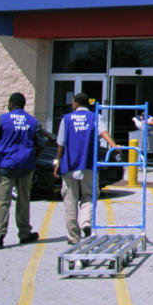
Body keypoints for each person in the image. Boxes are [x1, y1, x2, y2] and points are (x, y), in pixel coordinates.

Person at [54, 92, 118, 245]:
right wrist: (114, 145)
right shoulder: (95, 117)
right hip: (89, 163)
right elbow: (103, 133)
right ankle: (86, 222)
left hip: (69, 164)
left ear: (76, 103)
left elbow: (61, 143)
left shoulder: (66, 119)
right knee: (89, 195)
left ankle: (73, 236)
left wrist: (58, 162)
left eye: (73, 102)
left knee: (70, 199)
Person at [0, 92, 43, 249]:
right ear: (23, 105)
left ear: (11, 104)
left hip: (5, 165)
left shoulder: (2, 119)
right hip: (25, 165)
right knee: (23, 200)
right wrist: (32, 158)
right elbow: (41, 143)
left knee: (2, 201)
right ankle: (24, 233)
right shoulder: (32, 121)